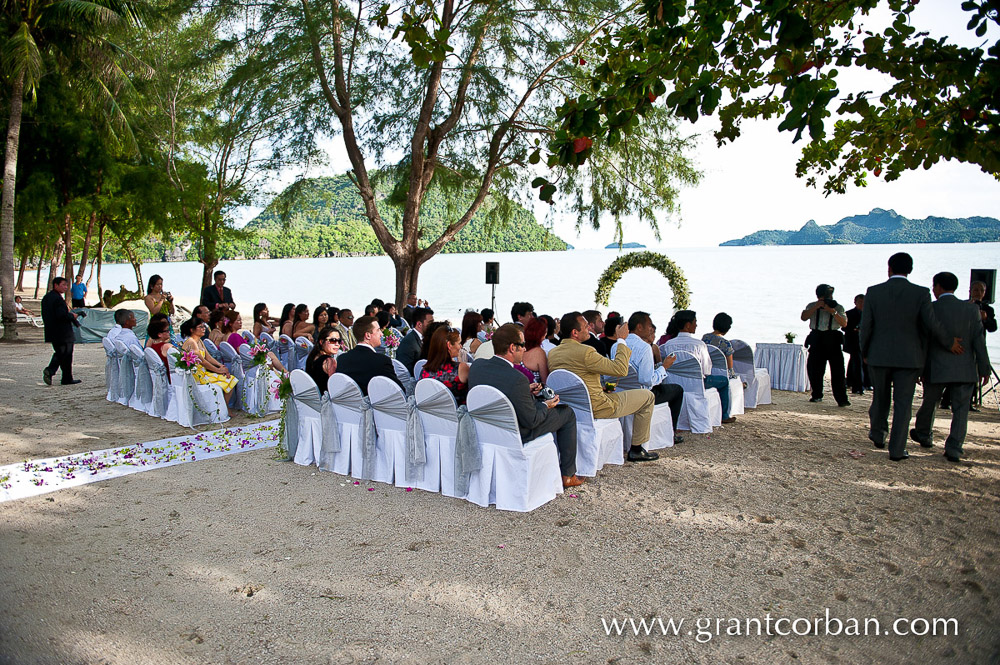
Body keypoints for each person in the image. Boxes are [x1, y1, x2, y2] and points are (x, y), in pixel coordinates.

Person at [860, 252, 963, 461]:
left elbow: (866, 327)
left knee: (880, 398)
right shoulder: (921, 293)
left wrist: (865, 351)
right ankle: (897, 450)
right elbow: (931, 325)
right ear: (910, 270)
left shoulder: (874, 292)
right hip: (909, 358)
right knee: (903, 404)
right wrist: (949, 342)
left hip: (878, 355)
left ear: (889, 268)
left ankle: (878, 434)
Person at [468, 323, 583, 488]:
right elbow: (532, 421)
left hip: (486, 429)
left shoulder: (478, 367)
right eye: (523, 345)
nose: (525, 349)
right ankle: (568, 475)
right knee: (567, 413)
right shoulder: (517, 378)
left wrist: (524, 391)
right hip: (515, 432)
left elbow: (495, 390)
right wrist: (546, 405)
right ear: (512, 348)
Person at [548, 312, 659, 461]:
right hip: (598, 406)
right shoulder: (586, 352)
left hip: (571, 406)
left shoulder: (553, 353)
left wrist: (601, 388)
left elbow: (576, 380)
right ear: (575, 333)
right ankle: (637, 448)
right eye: (586, 326)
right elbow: (620, 369)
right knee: (648, 397)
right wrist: (620, 340)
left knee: (613, 390)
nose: (589, 329)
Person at [910, 272, 992, 462]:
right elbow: (979, 342)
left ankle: (924, 433)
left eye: (934, 286)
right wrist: (984, 368)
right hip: (964, 368)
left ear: (938, 287)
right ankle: (954, 447)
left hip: (936, 366)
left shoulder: (931, 308)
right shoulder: (971, 310)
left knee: (930, 403)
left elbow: (923, 340)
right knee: (961, 410)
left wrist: (918, 368)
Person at [661, 310, 736, 424]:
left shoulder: (668, 344)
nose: (696, 324)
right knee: (724, 381)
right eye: (695, 322)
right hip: (696, 384)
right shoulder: (699, 345)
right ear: (688, 325)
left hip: (674, 383)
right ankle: (724, 415)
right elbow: (706, 370)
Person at [621, 311, 685, 438]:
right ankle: (671, 432)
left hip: (622, 391)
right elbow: (647, 381)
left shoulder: (619, 344)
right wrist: (664, 367)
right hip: (641, 395)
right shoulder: (644, 348)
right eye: (650, 325)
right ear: (639, 327)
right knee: (677, 390)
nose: (651, 329)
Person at [801, 284, 850, 406]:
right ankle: (816, 394)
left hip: (832, 338)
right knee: (814, 368)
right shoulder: (812, 306)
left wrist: (832, 312)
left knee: (838, 370)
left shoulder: (838, 307)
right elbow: (803, 317)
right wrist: (816, 307)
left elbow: (844, 324)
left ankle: (841, 398)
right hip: (817, 337)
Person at [180, 317, 238, 414]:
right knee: (228, 380)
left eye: (204, 326)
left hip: (203, 372)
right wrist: (218, 370)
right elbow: (202, 361)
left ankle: (225, 406)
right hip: (197, 375)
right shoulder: (191, 342)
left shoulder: (199, 341)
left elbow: (208, 357)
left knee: (231, 380)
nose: (204, 329)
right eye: (200, 327)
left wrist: (220, 366)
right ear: (192, 329)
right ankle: (224, 408)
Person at [335, 315, 402, 396]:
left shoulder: (342, 359)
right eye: (378, 330)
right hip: (376, 406)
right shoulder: (381, 361)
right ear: (368, 335)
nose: (381, 334)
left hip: (349, 407)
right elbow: (399, 391)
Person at [41, 277, 80, 385]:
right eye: (63, 285)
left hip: (53, 331)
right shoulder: (56, 299)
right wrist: (72, 316)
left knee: (62, 353)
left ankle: (66, 378)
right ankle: (51, 370)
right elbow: (61, 315)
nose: (65, 287)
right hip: (63, 332)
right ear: (56, 285)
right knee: (65, 353)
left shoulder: (47, 297)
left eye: (66, 285)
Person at [419, 327, 470, 404]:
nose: (461, 347)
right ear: (449, 345)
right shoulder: (461, 368)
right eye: (459, 343)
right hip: (458, 414)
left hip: (433, 414)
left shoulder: (424, 371)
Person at [843, 294, 870, 395]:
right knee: (857, 362)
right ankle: (858, 386)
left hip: (865, 342)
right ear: (855, 302)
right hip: (853, 342)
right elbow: (843, 327)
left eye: (864, 302)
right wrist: (854, 329)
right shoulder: (849, 313)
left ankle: (855, 382)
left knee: (861, 362)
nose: (862, 304)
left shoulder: (869, 313)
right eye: (860, 302)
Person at [397, 306, 433, 373]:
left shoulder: (425, 337)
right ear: (419, 324)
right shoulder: (409, 342)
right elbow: (405, 369)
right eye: (430, 323)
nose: (433, 325)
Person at [305, 326, 342, 392]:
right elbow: (334, 386)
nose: (337, 344)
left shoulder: (313, 356)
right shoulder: (330, 361)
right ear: (321, 342)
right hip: (326, 399)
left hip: (314, 397)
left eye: (339, 341)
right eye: (332, 340)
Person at [702, 312, 737, 378]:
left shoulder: (705, 337)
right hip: (721, 376)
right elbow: (730, 368)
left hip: (706, 372)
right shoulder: (726, 344)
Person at [522, 317, 550, 384]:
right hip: (534, 392)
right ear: (540, 334)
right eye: (545, 333)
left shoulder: (519, 349)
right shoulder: (539, 353)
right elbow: (545, 382)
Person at [145, 316, 174, 380]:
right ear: (159, 334)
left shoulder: (151, 345)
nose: (169, 332)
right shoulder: (167, 346)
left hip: (159, 378)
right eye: (167, 331)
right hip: (170, 378)